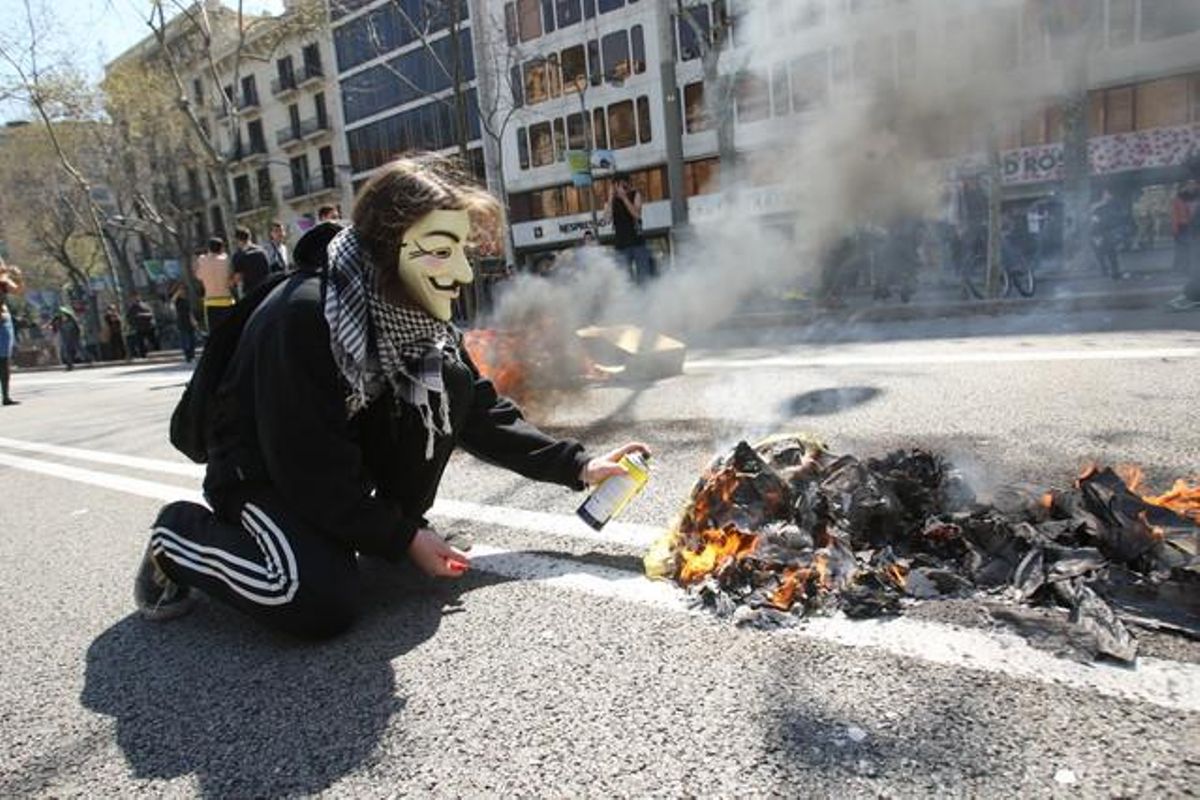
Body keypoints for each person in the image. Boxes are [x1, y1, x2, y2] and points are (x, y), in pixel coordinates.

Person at [135, 154, 649, 636]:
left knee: (446, 379)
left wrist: (579, 466)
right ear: (392, 246)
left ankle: (387, 529)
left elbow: (476, 408)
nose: (464, 273)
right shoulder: (304, 316)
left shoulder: (414, 311)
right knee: (314, 597)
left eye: (462, 252)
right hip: (261, 474)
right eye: (444, 252)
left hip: (336, 464)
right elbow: (306, 468)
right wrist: (401, 539)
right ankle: (175, 539)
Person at [608, 174, 657, 284]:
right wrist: (610, 198)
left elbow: (637, 215)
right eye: (615, 185)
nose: (617, 188)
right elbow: (606, 218)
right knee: (624, 281)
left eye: (620, 184)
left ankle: (648, 299)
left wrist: (624, 198)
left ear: (626, 184)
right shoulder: (612, 200)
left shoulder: (635, 194)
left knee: (644, 278)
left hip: (637, 243)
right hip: (620, 246)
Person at [1168, 180, 1200, 311]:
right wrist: (1176, 231)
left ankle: (1192, 296)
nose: (1191, 186)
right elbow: (1176, 216)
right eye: (1189, 184)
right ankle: (1191, 295)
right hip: (1189, 232)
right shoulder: (1180, 199)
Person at [194, 238, 235, 333]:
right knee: (230, 331)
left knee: (214, 332)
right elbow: (231, 279)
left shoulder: (202, 260)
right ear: (221, 248)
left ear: (209, 248)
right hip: (227, 300)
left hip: (211, 301)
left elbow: (198, 276)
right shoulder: (226, 260)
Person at [0, 261, 22, 405]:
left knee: (4, 360)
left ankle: (6, 396)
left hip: (3, 322)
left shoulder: (4, 281)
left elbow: (18, 290)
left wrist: (18, 277)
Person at [1090, 188, 1123, 280]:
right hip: (1101, 233)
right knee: (1102, 254)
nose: (1110, 195)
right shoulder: (1096, 207)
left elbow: (1115, 218)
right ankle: (1107, 270)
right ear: (1103, 195)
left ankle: (1114, 272)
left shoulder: (1110, 205)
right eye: (1108, 193)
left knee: (1111, 254)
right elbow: (1094, 222)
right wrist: (1096, 235)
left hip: (1107, 232)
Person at [231, 226, 271, 296]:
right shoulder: (262, 251)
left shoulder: (239, 256)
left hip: (250, 292)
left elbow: (237, 277)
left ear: (238, 240)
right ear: (250, 237)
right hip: (265, 289)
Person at [50, 305, 85, 370]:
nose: (63, 317)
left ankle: (89, 359)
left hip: (74, 339)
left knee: (80, 349)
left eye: (64, 316)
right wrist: (52, 326)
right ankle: (70, 365)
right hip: (66, 340)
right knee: (66, 353)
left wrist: (77, 336)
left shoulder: (71, 322)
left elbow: (77, 330)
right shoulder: (61, 323)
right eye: (62, 316)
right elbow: (54, 325)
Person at [171, 283, 197, 363]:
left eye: (183, 289)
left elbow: (190, 311)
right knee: (186, 340)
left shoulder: (186, 299)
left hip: (189, 321)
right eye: (181, 289)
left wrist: (194, 320)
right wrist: (177, 292)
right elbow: (172, 302)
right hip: (181, 322)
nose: (182, 291)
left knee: (192, 340)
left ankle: (192, 356)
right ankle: (188, 356)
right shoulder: (177, 300)